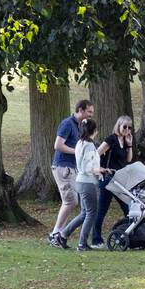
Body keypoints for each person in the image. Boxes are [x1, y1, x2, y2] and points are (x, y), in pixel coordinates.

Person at [48, 98, 94, 248]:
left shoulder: (80, 126)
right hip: (62, 167)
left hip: (72, 168)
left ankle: (58, 233)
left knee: (74, 202)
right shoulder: (67, 123)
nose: (91, 115)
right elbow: (58, 145)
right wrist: (77, 152)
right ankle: (55, 234)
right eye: (89, 112)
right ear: (80, 110)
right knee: (70, 201)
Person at [59, 119, 106, 251]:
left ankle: (63, 235)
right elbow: (88, 167)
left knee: (84, 213)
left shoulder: (80, 143)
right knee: (92, 213)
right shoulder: (89, 145)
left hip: (80, 181)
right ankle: (82, 243)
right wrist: (100, 170)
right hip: (88, 182)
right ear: (93, 131)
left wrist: (98, 168)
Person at [92, 115, 134, 246]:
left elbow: (128, 160)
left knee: (128, 209)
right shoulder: (111, 139)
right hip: (108, 180)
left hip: (120, 180)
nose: (127, 129)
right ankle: (96, 239)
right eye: (125, 126)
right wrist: (101, 169)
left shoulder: (124, 141)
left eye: (129, 127)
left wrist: (130, 144)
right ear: (119, 126)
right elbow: (96, 154)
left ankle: (126, 236)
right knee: (102, 210)